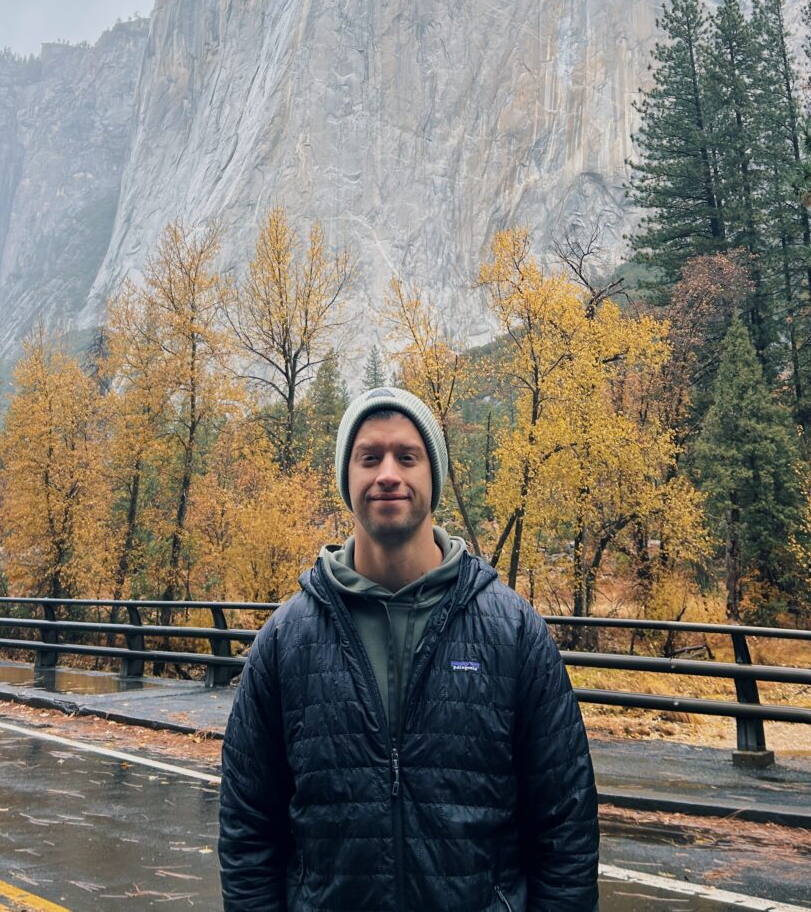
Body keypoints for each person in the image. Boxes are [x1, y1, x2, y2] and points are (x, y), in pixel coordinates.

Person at [218, 385, 599, 911]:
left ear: (432, 477)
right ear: (346, 478)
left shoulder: (512, 631)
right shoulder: (286, 640)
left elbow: (565, 827)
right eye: (369, 457)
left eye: (407, 456)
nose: (388, 473)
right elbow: (248, 831)